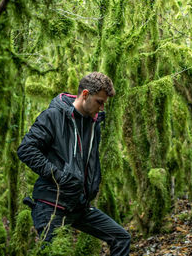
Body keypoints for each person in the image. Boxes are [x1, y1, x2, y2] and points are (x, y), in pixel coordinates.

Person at [17, 72, 130, 255]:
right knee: (55, 251)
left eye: (104, 103)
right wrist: (59, 176)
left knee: (121, 238)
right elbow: (26, 149)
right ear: (85, 94)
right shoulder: (53, 116)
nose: (101, 108)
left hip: (78, 205)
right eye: (99, 102)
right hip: (51, 204)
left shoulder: (94, 125)